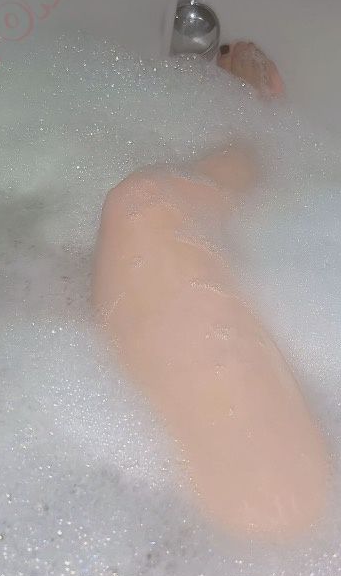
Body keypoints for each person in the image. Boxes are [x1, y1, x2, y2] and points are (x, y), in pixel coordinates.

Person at [92, 42, 329, 542]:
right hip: (272, 544)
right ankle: (251, 136)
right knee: (146, 206)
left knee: (143, 205)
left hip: (225, 560)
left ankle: (249, 137)